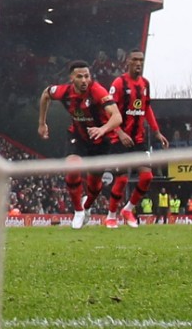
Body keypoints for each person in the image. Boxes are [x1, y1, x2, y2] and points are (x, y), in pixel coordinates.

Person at [36, 61, 121, 229]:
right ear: (71, 78)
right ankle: (78, 211)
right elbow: (45, 94)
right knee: (72, 168)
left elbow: (117, 117)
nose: (84, 80)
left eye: (87, 76)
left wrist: (102, 129)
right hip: (78, 136)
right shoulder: (64, 92)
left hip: (100, 140)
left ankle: (87, 206)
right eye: (80, 76)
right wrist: (42, 123)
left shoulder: (97, 92)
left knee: (95, 186)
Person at [102, 49, 168, 227]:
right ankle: (111, 216)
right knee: (122, 179)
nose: (139, 63)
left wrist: (157, 132)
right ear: (128, 62)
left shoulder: (145, 84)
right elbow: (108, 110)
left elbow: (146, 108)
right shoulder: (119, 82)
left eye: (141, 60)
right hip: (119, 138)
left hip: (138, 139)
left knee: (147, 177)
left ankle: (128, 209)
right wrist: (120, 133)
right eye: (135, 60)